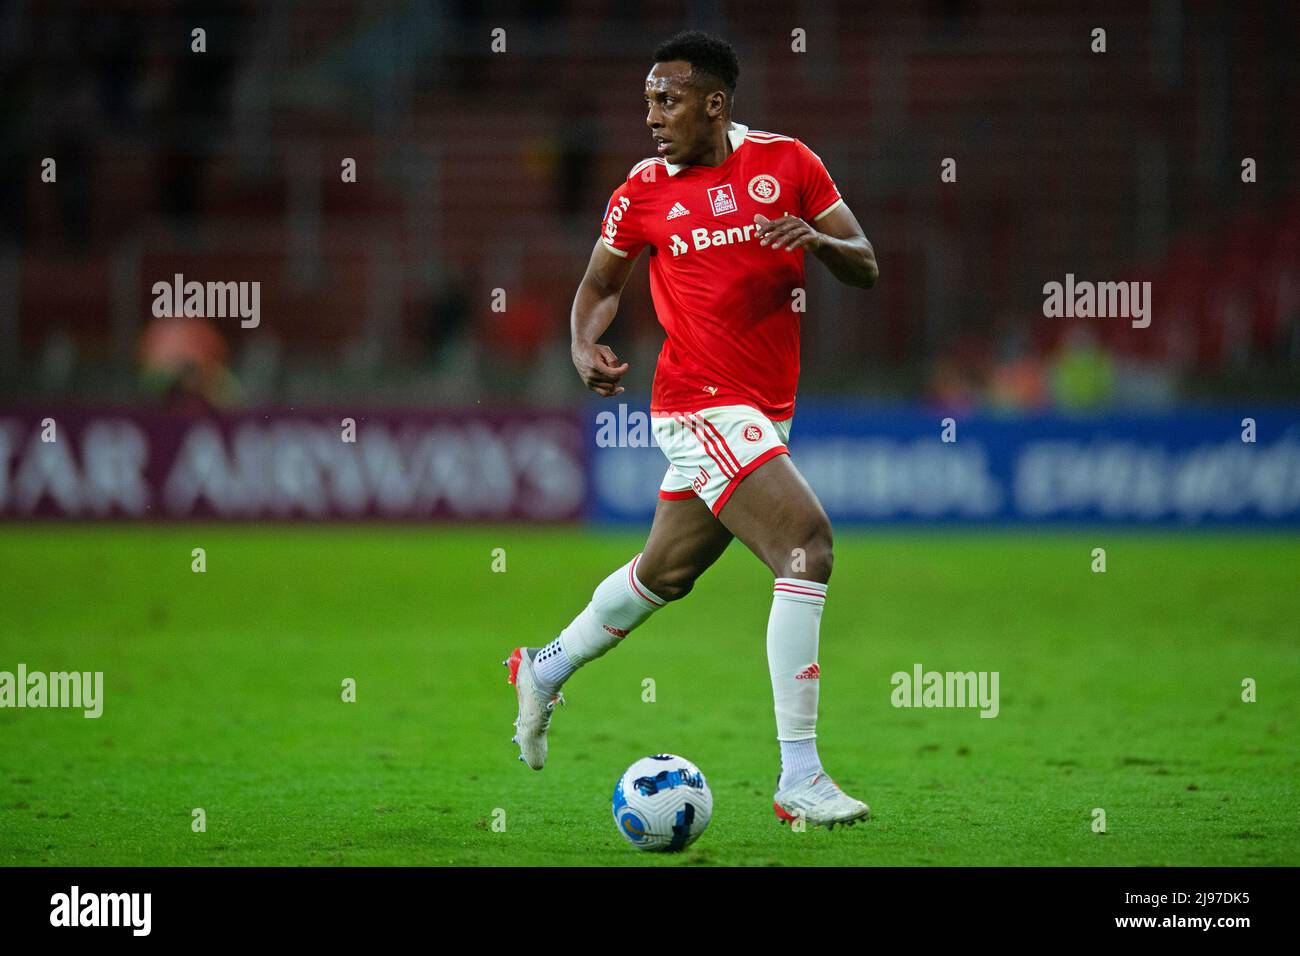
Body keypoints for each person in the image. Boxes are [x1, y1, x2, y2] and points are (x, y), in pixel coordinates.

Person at [505, 31, 878, 829]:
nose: (652, 116)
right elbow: (600, 284)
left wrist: (817, 242)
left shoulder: (790, 165)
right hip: (696, 402)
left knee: (664, 573)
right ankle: (800, 778)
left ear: (715, 102)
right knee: (806, 544)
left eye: (667, 100)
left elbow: (866, 260)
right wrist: (581, 340)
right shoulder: (641, 190)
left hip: (765, 405)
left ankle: (543, 668)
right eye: (646, 101)